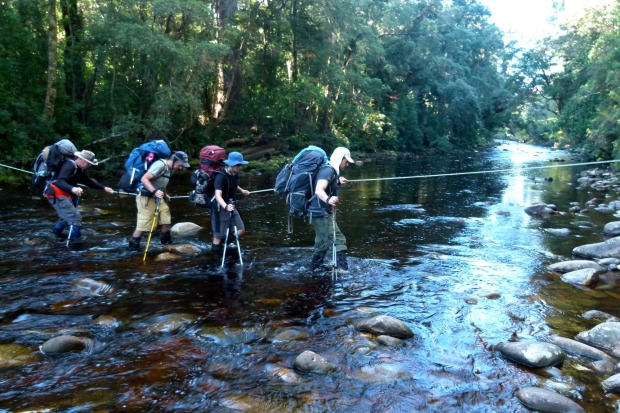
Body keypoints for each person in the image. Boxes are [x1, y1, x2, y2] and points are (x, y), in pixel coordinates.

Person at [44, 150, 115, 241]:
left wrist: (104, 188)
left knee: (65, 217)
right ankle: (75, 243)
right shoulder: (69, 165)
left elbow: (88, 181)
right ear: (81, 159)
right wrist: (73, 189)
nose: (89, 166)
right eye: (88, 163)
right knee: (75, 217)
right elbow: (59, 181)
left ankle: (56, 235)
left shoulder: (80, 169)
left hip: (64, 194)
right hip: (55, 193)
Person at [128, 151, 190, 251]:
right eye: (180, 165)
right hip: (146, 198)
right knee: (143, 225)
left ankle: (166, 246)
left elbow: (162, 183)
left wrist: (165, 194)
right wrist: (155, 192)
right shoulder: (160, 165)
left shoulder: (170, 169)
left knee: (166, 220)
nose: (181, 167)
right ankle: (132, 249)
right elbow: (144, 179)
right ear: (174, 161)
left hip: (158, 198)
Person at [308, 147, 354, 272]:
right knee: (338, 239)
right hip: (319, 211)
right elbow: (318, 190)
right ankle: (342, 271)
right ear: (340, 158)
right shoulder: (328, 170)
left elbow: (326, 185)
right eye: (346, 160)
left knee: (323, 241)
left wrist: (337, 182)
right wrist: (328, 200)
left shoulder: (330, 171)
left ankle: (313, 269)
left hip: (319, 212)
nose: (348, 163)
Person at [210, 152, 250, 261]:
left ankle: (224, 245)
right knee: (218, 235)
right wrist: (225, 207)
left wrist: (242, 190)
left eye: (240, 165)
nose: (240, 167)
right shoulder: (220, 176)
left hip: (231, 205)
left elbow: (234, 184)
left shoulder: (234, 173)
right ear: (231, 164)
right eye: (238, 165)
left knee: (241, 230)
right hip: (220, 207)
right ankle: (215, 259)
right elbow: (218, 195)